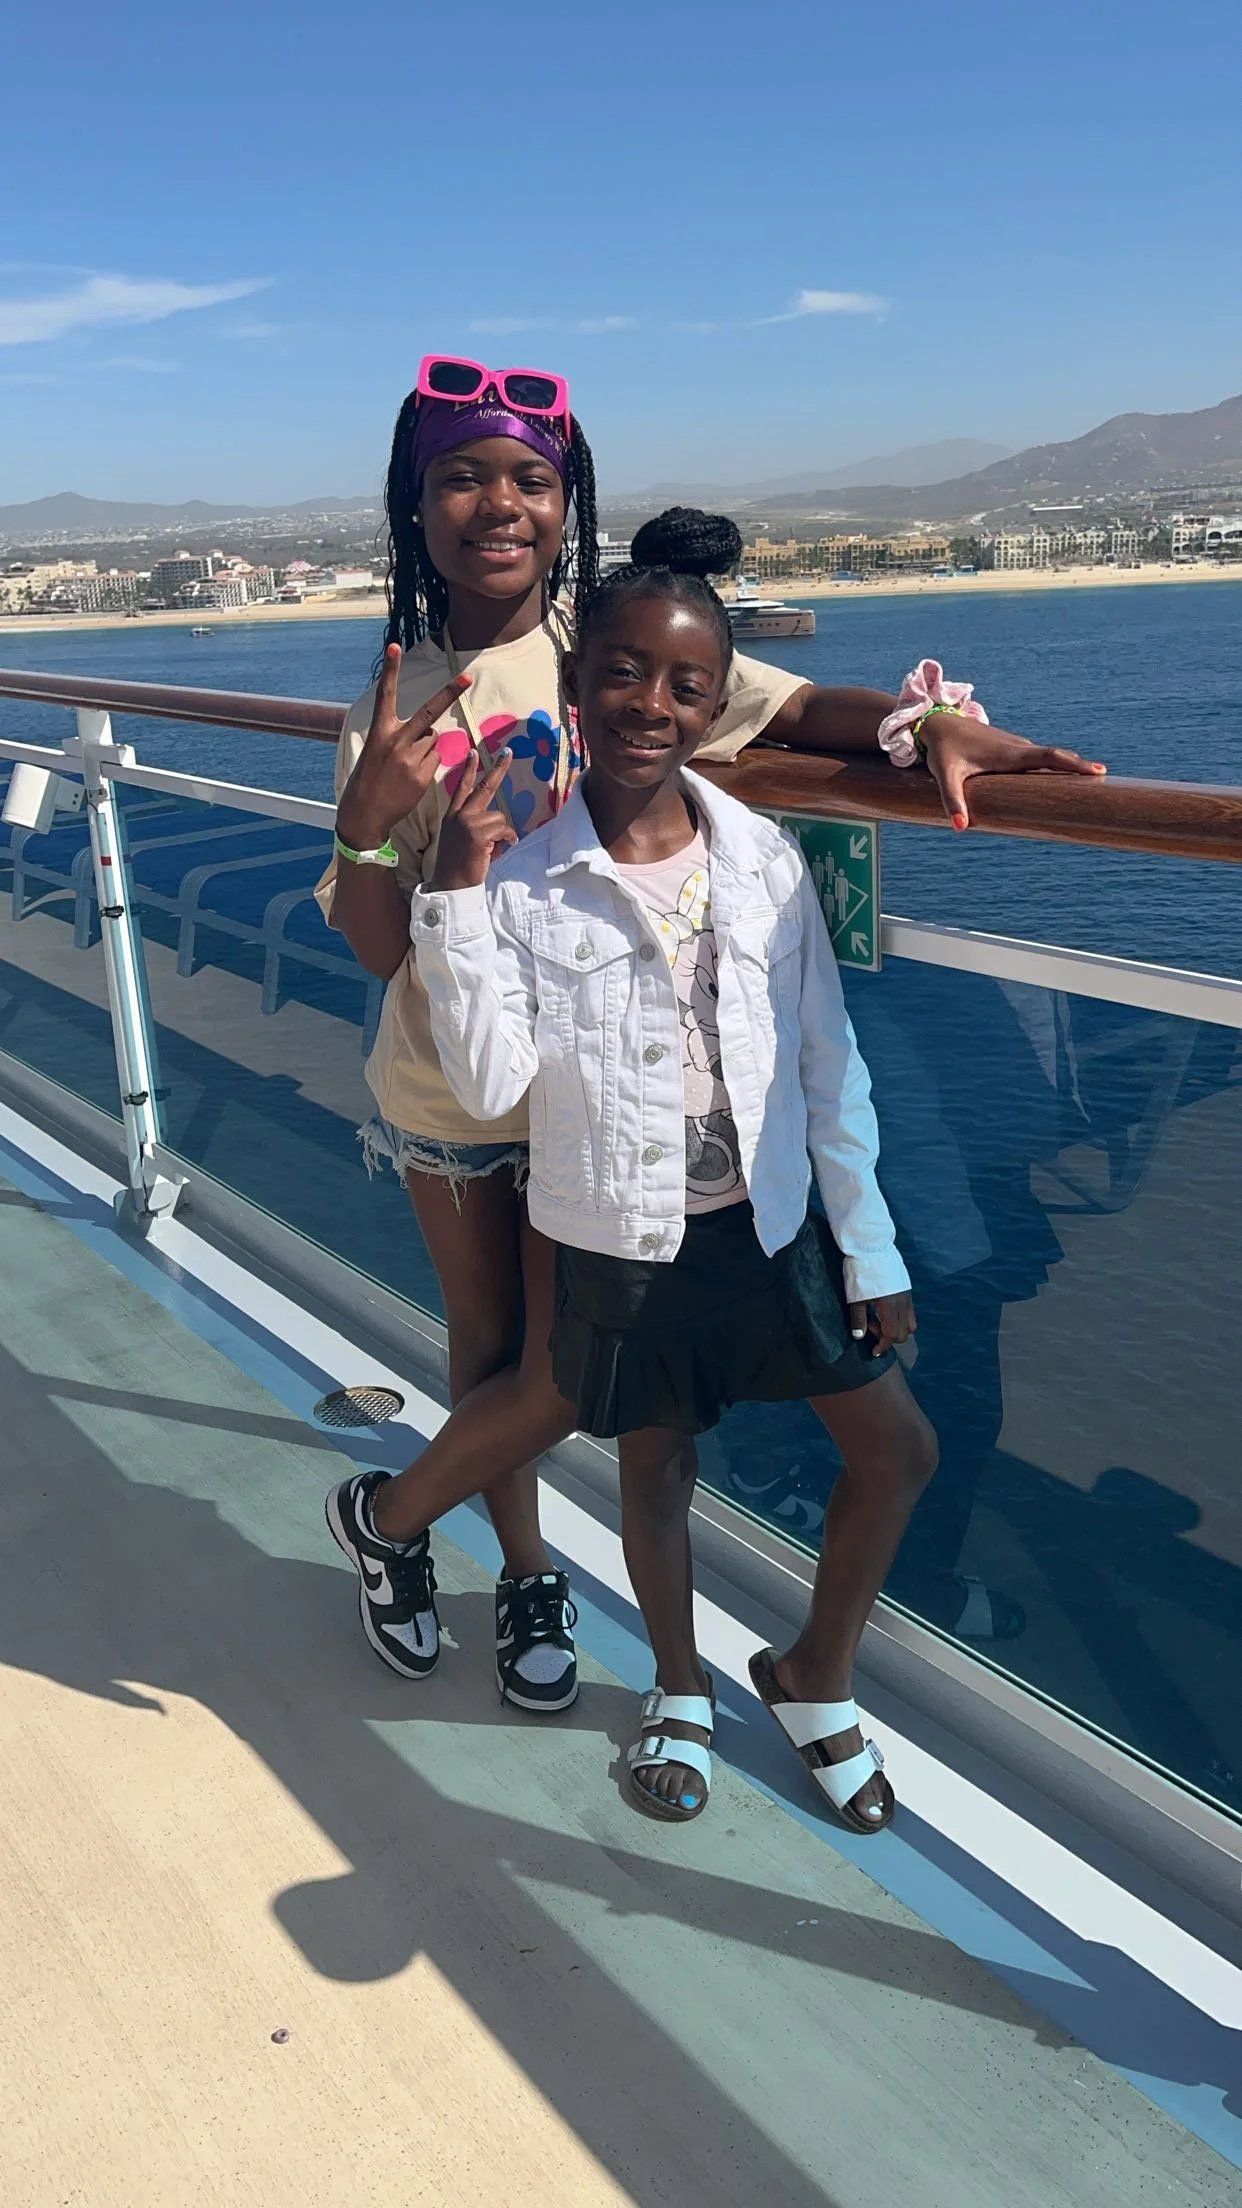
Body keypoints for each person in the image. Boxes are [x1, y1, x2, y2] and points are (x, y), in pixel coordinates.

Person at [319, 352, 1104, 1717]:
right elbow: (383, 949)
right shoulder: (392, 706)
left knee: (571, 1372)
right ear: (417, 500)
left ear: (568, 506)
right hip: (455, 1090)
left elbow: (795, 709)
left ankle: (403, 1524)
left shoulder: (613, 652)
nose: (498, 505)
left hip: (601, 1102)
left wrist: (933, 733)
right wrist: (372, 828)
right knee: (491, 1349)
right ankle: (520, 1575)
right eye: (462, 476)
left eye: (530, 480)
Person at [407, 533, 938, 1829]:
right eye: (623, 674)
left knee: (895, 1450)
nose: (651, 704)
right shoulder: (527, 878)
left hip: (768, 1221)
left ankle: (815, 1671)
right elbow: (485, 1092)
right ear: (577, 684)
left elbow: (826, 1061)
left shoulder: (761, 859)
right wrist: (454, 900)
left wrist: (866, 1248)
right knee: (656, 1470)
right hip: (623, 1230)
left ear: (715, 704)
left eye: (685, 685)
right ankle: (681, 1689)